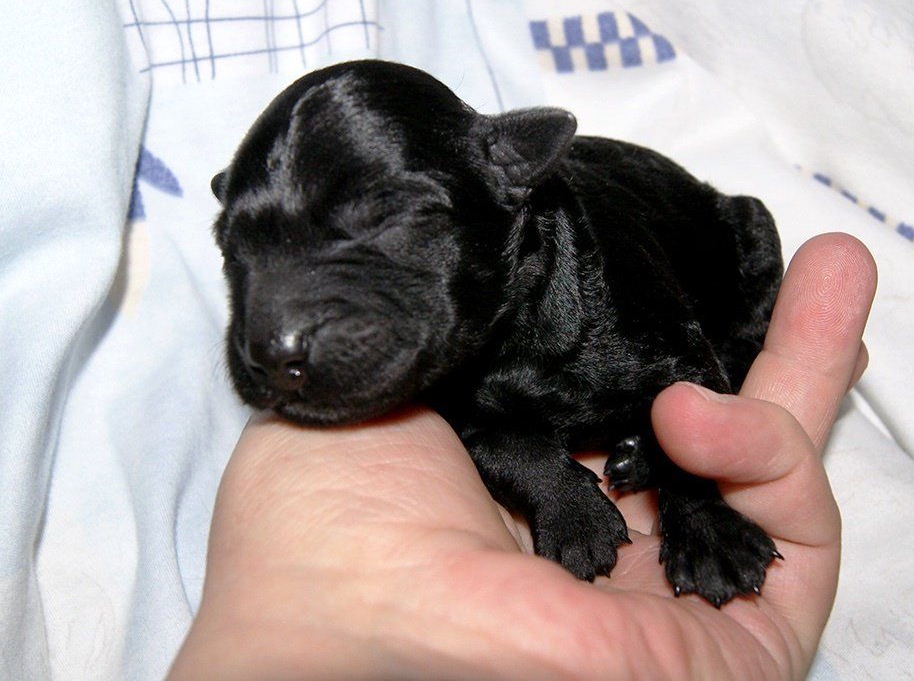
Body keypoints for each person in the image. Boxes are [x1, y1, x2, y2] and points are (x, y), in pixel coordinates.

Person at [168, 232, 876, 679]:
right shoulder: (443, 366)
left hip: (702, 268)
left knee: (710, 396)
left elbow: (682, 369)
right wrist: (550, 491)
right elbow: (480, 431)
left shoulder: (604, 303)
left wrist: (694, 501)